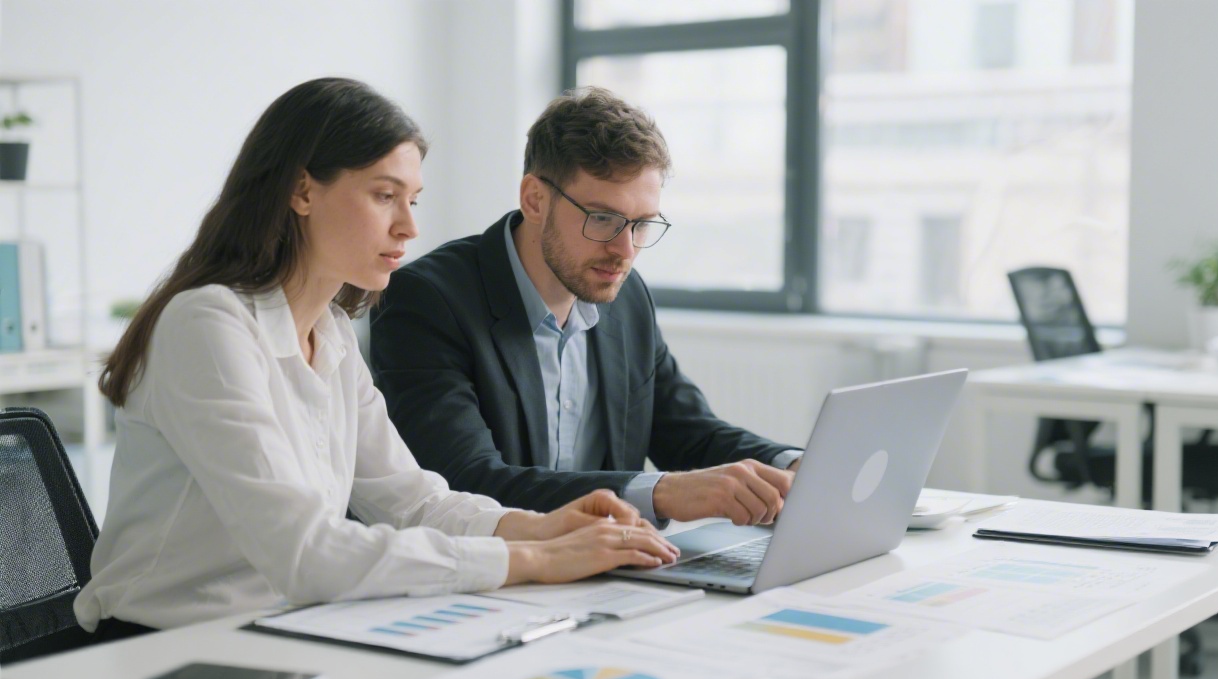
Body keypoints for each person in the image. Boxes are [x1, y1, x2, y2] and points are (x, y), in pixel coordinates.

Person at [75, 78, 677, 640]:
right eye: (385, 196)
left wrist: (544, 526)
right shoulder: (206, 324)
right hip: (163, 645)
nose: (410, 227)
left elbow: (416, 502)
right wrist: (534, 558)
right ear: (302, 191)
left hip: (285, 630)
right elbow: (307, 554)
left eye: (413, 199)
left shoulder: (331, 332)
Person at [370, 87, 802, 529]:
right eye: (603, 219)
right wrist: (660, 492)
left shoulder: (627, 295)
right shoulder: (427, 300)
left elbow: (688, 431)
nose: (625, 249)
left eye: (642, 225)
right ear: (535, 199)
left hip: (608, 571)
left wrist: (790, 467)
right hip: (495, 570)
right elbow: (465, 483)